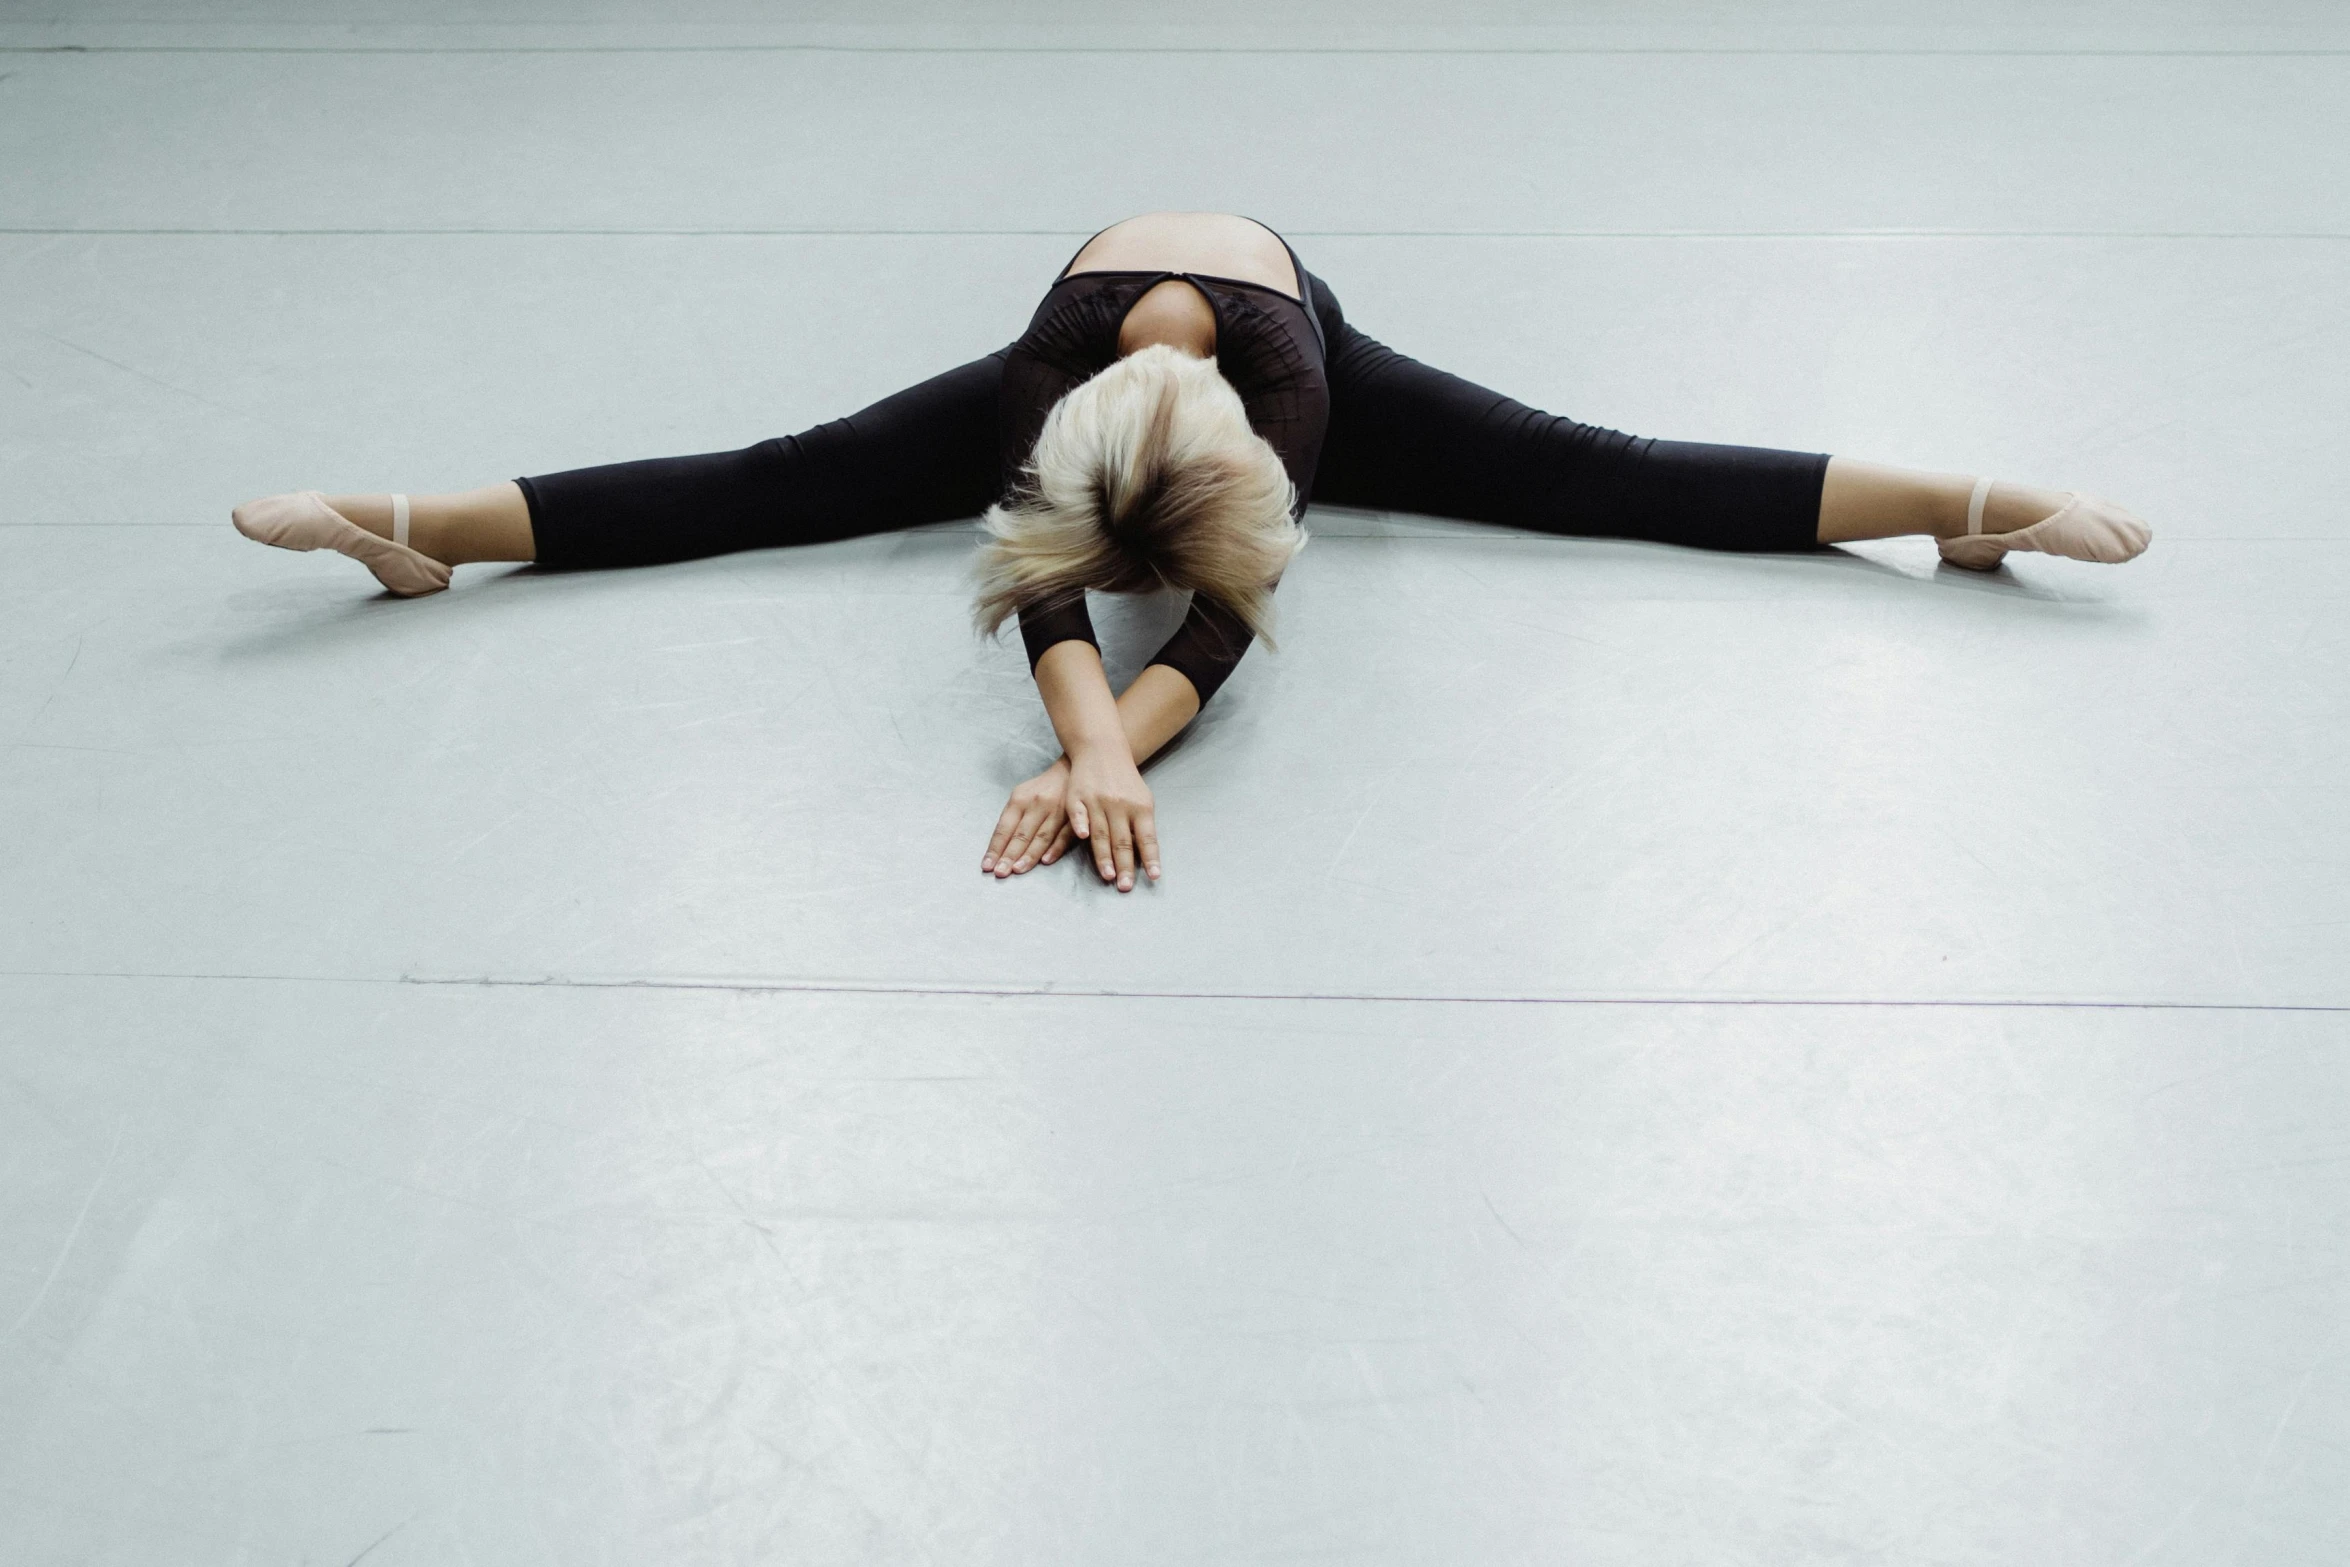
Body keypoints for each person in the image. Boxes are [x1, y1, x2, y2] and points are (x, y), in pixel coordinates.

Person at [230, 211, 2152, 894]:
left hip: (1286, 304)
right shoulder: (1039, 395)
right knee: (783, 472)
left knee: (1595, 465)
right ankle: (424, 529)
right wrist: (1082, 736)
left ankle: (1949, 504)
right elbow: (1048, 584)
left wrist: (1106, 743)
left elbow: (1221, 617)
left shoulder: (1293, 403)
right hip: (1093, 363)